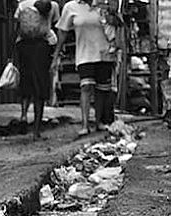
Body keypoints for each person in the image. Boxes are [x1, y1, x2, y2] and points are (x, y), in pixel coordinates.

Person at [52, 0, 118, 136]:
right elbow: (62, 31)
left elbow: (116, 25)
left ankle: (98, 122)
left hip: (104, 53)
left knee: (101, 90)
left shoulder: (103, 5)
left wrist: (111, 14)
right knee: (86, 87)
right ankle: (85, 124)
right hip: (84, 54)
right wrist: (56, 55)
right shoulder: (71, 7)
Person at [14, 0, 60, 140]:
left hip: (24, 46)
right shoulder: (52, 5)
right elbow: (55, 25)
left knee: (26, 82)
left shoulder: (22, 4)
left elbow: (17, 26)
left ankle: (23, 116)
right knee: (40, 86)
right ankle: (36, 130)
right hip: (42, 46)